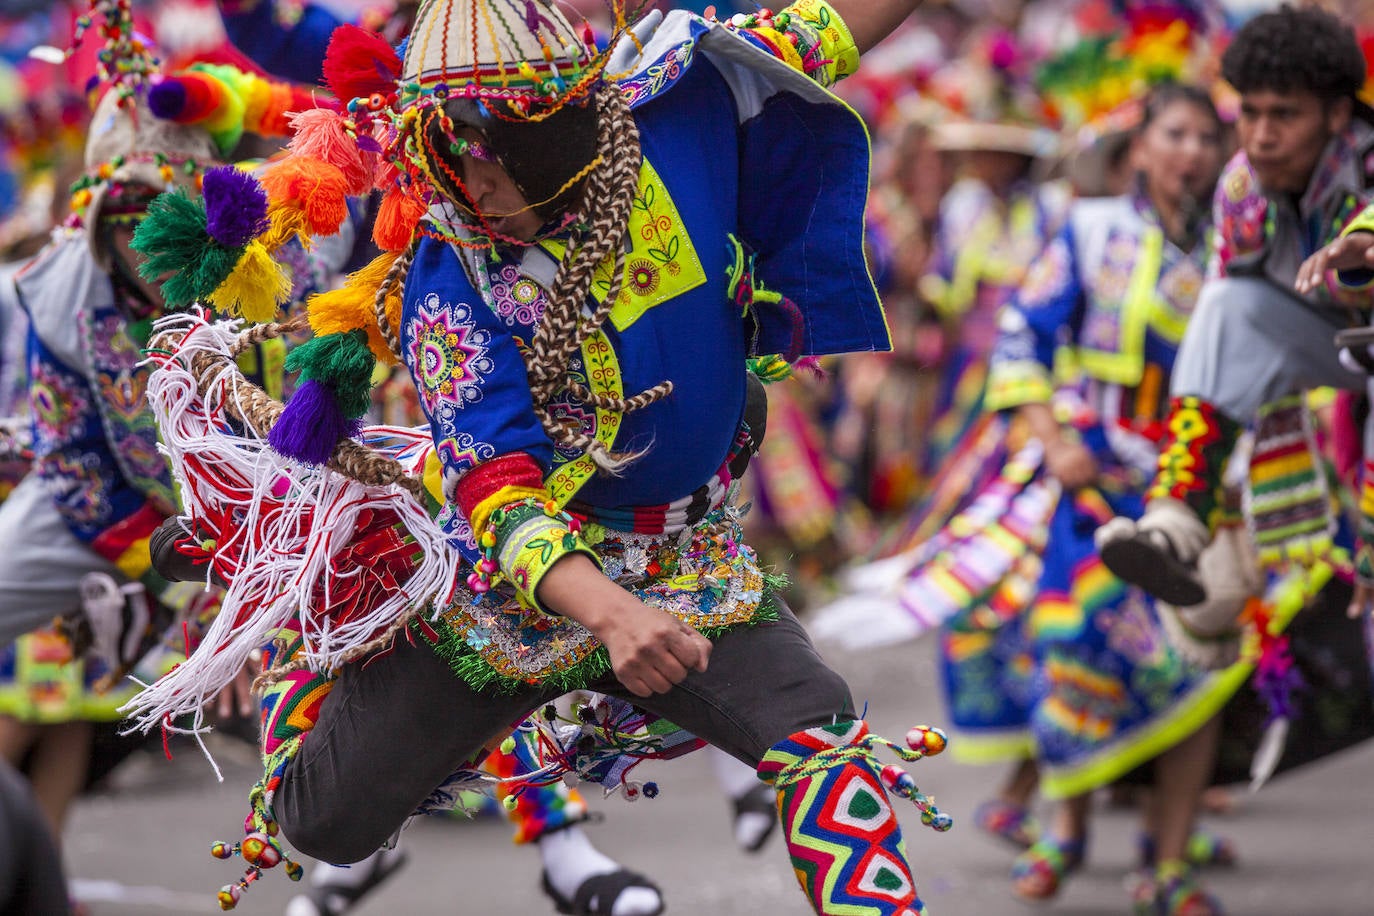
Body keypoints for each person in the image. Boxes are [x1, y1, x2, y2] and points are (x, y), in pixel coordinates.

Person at [129, 2, 955, 915]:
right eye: (440, 151)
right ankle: (317, 601)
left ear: (557, 123)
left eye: (480, 147)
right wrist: (609, 616)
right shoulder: (452, 263)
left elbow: (840, 21)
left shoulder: (688, 92)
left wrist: (637, 614)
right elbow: (496, 487)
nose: (462, 182)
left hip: (684, 567)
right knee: (324, 823)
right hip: (508, 587)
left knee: (823, 734)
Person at [983, 82, 1235, 914]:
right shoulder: (1091, 232)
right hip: (1095, 488)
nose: (1191, 152)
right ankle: (1066, 827)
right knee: (1078, 649)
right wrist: (1054, 438)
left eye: (1206, 137)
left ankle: (1167, 865)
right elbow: (1024, 331)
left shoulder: (1238, 248)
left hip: (1198, 488)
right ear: (1141, 145)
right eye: (1175, 134)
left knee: (1198, 666)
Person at [1095, 5, 1374, 607]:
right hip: (1335, 351)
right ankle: (1175, 524)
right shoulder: (1241, 189)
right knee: (1225, 305)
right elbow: (1233, 338)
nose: (1262, 135)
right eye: (1249, 112)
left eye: (1285, 115)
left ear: (1338, 115)